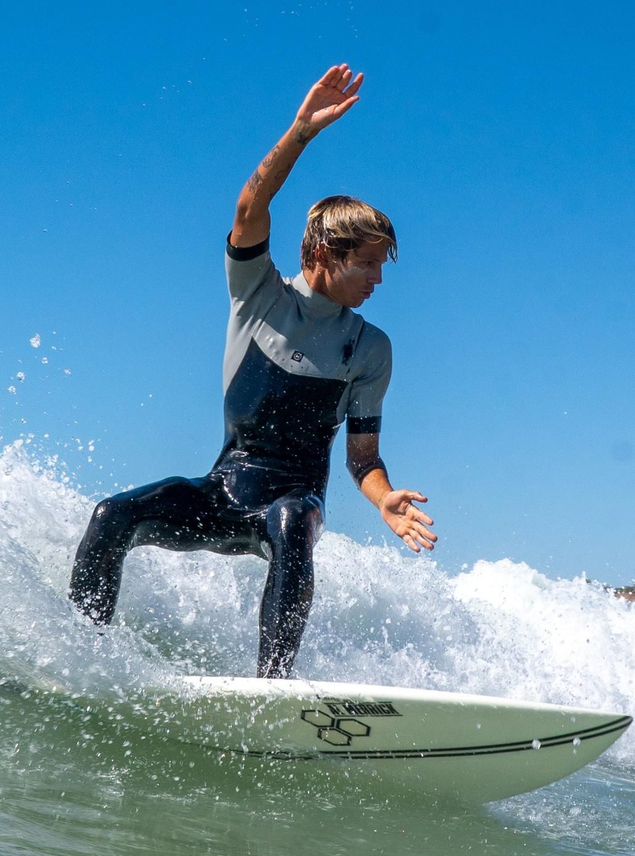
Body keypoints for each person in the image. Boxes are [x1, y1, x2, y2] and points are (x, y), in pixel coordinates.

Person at [68, 64, 436, 678]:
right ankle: (79, 654)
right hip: (223, 492)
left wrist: (384, 500)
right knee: (112, 514)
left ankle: (272, 688)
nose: (378, 279)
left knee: (290, 520)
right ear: (323, 253)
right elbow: (250, 206)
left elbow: (362, 459)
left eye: (381, 266)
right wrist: (301, 131)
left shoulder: (370, 348)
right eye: (368, 264)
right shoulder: (258, 294)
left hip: (294, 502)